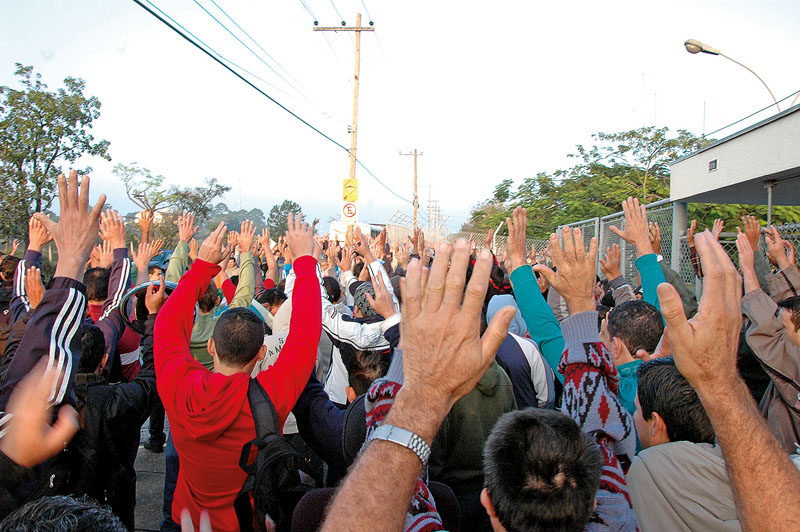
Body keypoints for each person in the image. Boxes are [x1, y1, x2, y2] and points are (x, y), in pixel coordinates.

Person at [154, 214, 321, 532]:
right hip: (244, 523)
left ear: (212, 348)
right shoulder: (269, 397)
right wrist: (304, 265)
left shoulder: (178, 383)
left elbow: (166, 324)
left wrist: (202, 266)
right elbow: (305, 337)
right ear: (261, 354)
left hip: (188, 521)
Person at [481, 226, 638, 532]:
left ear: (489, 505)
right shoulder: (658, 387)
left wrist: (519, 265)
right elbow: (597, 424)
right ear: (594, 500)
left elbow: (546, 329)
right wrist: (582, 305)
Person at [658, 229, 800, 530]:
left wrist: (751, 265)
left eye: (783, 328)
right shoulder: (777, 345)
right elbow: (788, 311)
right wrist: (782, 266)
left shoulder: (762, 351)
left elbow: (774, 320)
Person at [627, 357, 741, 531]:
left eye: (637, 409)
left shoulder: (643, 470)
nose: (634, 417)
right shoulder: (746, 468)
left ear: (656, 423)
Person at [737, 229, 800, 453]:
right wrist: (783, 261)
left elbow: (767, 329)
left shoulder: (794, 362)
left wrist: (747, 268)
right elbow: (794, 309)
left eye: (783, 328)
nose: (779, 328)